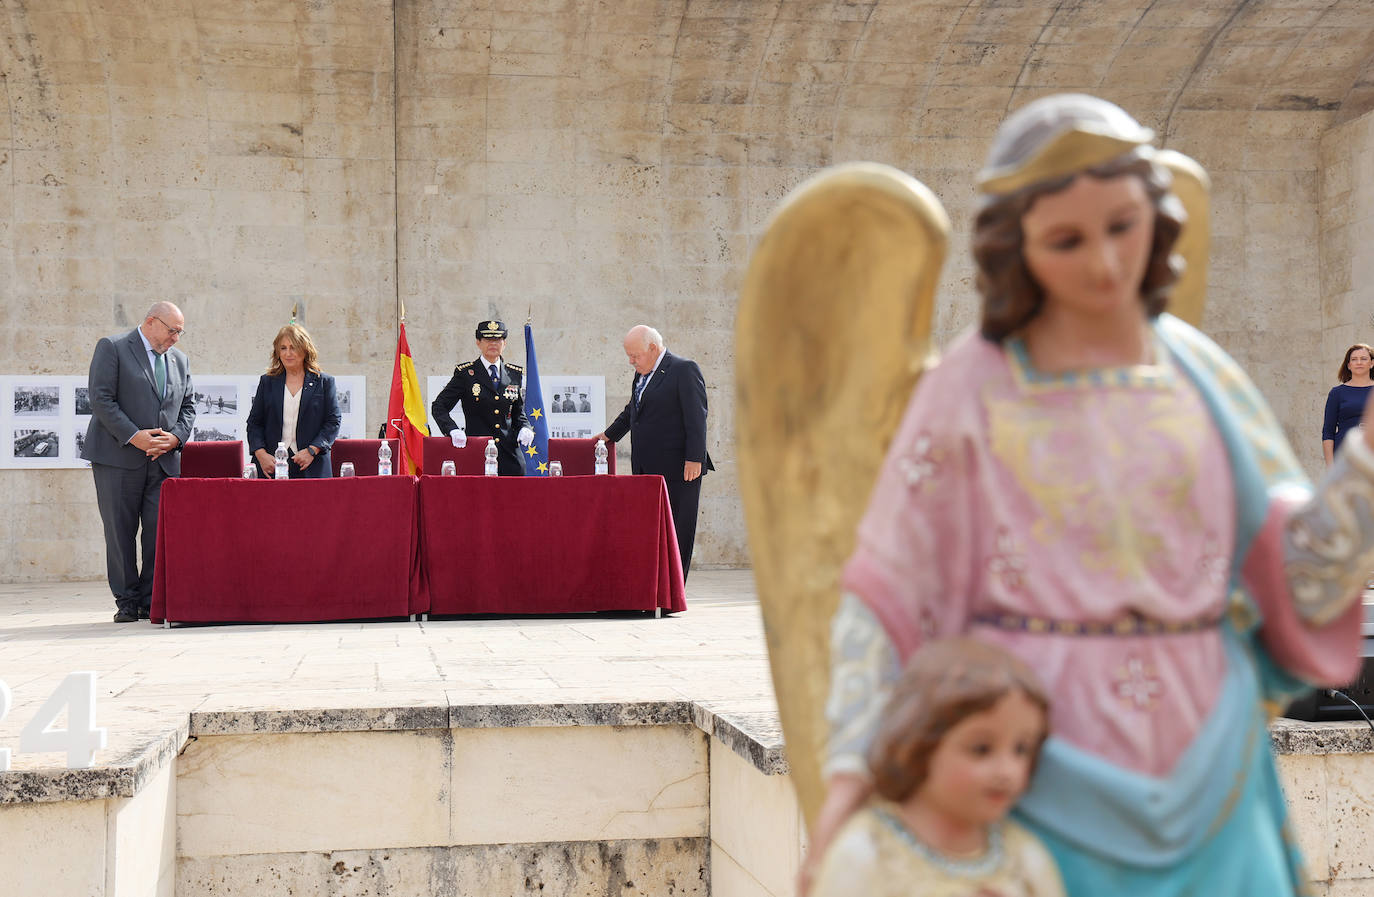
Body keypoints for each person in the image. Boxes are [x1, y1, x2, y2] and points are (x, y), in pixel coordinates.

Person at [809, 94, 1373, 895]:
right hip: (1037, 756)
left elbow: (1296, 579)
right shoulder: (972, 386)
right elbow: (888, 590)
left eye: (1122, 225)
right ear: (1018, 247)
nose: (1105, 263)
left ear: (1157, 218)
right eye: (1066, 240)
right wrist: (847, 774)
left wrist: (1366, 468)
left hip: (1212, 751)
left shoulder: (1199, 375)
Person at [811, 638, 1064, 897]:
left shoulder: (1025, 860)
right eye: (981, 750)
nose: (1007, 771)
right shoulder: (867, 852)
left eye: (1021, 750)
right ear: (920, 745)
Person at [82, 301, 196, 623]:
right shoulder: (113, 348)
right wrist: (135, 436)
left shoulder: (180, 360)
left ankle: (150, 599)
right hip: (118, 458)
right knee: (120, 532)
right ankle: (127, 600)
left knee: (157, 532)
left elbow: (188, 407)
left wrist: (175, 438)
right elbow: (101, 399)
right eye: (173, 331)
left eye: (180, 332)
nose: (176, 338)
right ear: (151, 322)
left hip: (163, 463)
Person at [595, 325, 714, 577]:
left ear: (652, 348)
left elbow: (697, 417)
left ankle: (676, 589)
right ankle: (655, 586)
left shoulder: (684, 369)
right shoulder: (643, 373)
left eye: (634, 355)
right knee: (651, 529)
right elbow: (633, 411)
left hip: (680, 468)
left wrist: (695, 458)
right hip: (646, 466)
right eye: (628, 355)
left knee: (678, 530)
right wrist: (607, 436)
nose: (631, 361)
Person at [431, 320, 534, 476]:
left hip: (509, 455)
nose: (493, 343)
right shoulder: (466, 374)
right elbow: (439, 406)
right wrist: (451, 429)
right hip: (477, 452)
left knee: (515, 498)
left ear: (504, 343)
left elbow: (517, 412)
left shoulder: (514, 374)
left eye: (497, 339)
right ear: (478, 343)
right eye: (487, 339)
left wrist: (525, 427)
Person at [246, 323, 342, 479]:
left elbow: (333, 421)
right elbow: (254, 423)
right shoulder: (267, 382)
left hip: (312, 465)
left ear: (305, 350)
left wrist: (312, 450)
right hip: (272, 466)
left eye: (293, 347)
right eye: (283, 348)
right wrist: (261, 454)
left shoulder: (324, 382)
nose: (288, 353)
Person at [1322, 342, 1372, 466]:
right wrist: (1330, 466)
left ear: (1372, 363)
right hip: (1345, 456)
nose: (1359, 362)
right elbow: (1328, 432)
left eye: (1364, 359)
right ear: (1349, 365)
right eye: (1354, 359)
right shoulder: (1337, 393)